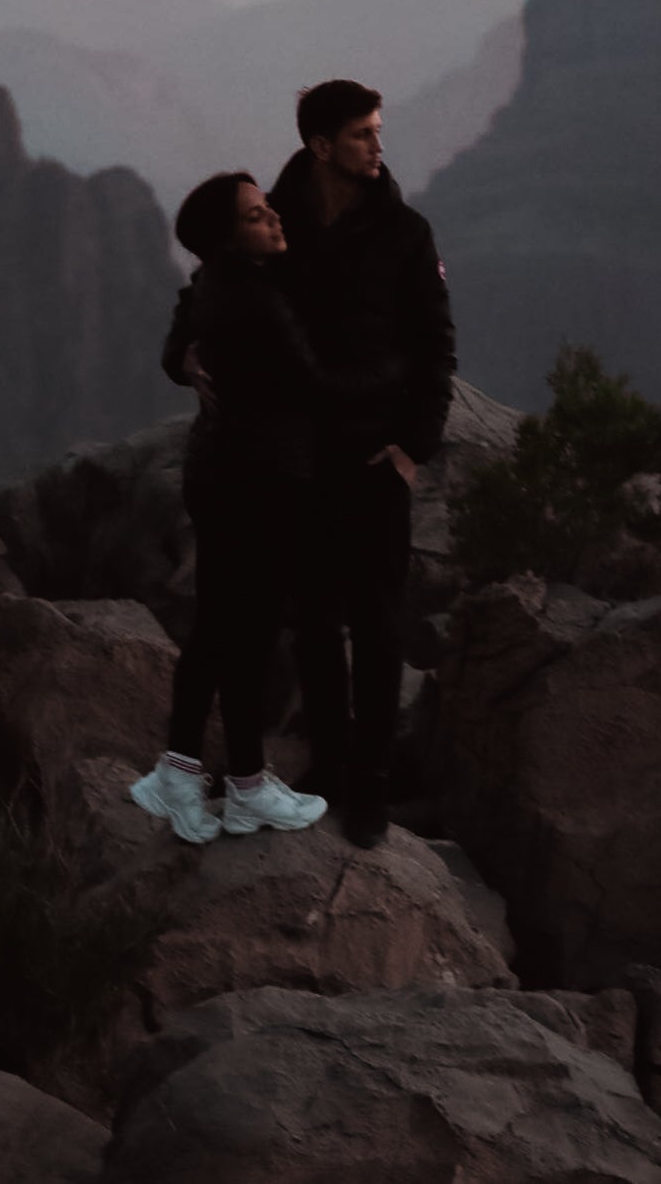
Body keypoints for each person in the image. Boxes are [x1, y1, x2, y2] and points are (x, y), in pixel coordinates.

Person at [131, 171, 348, 843]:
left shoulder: (217, 286)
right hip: (254, 480)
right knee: (244, 634)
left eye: (268, 208)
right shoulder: (254, 298)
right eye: (256, 215)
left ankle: (184, 772)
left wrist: (184, 363)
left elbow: (179, 346)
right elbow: (318, 382)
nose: (273, 219)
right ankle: (242, 784)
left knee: (222, 630)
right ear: (229, 239)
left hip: (226, 472)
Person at [267, 80, 456, 848]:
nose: (378, 147)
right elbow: (216, 295)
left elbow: (435, 346)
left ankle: (371, 786)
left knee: (377, 627)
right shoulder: (271, 223)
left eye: (377, 132)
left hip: (374, 453)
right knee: (312, 618)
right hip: (300, 455)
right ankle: (330, 766)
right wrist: (188, 355)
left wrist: (414, 445)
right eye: (361, 135)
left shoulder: (406, 233)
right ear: (320, 146)